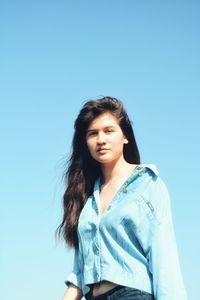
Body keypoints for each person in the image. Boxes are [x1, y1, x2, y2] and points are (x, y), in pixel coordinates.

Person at [57, 96, 187, 300]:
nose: (101, 139)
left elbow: (164, 258)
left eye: (109, 131)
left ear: (125, 136)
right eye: (93, 134)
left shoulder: (146, 183)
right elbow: (79, 273)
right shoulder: (88, 197)